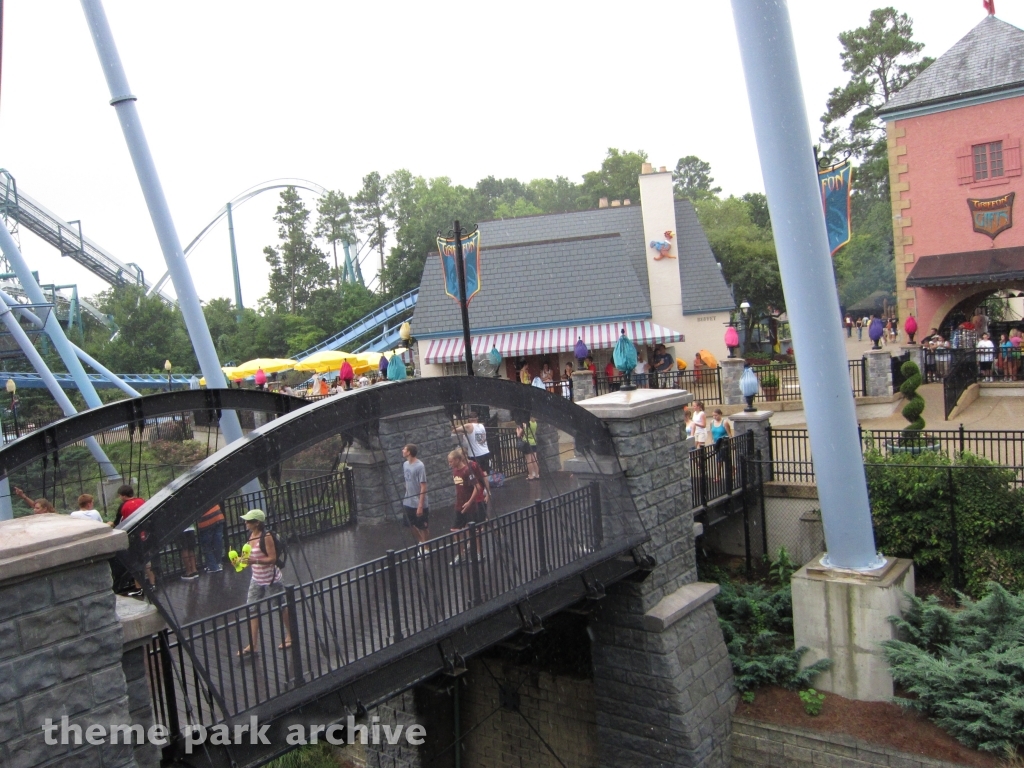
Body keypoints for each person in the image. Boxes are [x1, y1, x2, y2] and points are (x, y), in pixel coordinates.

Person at [237, 509, 291, 656]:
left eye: (249, 521)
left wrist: (255, 561)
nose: (246, 523)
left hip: (271, 579)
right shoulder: (250, 536)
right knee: (252, 608)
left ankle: (290, 635)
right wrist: (240, 561)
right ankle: (253, 644)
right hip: (256, 578)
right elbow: (248, 556)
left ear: (257, 523)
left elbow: (272, 559)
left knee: (280, 606)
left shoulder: (266, 537)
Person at [447, 450, 485, 566]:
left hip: (470, 506)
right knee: (455, 530)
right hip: (459, 505)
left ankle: (479, 553)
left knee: (475, 530)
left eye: (451, 461)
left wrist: (469, 502)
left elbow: (477, 487)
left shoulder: (468, 471)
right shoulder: (455, 471)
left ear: (457, 460)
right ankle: (462, 553)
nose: (450, 464)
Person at [401, 444, 430, 546]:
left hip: (419, 502)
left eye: (404, 449)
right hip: (408, 501)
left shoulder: (419, 466)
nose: (402, 450)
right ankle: (422, 542)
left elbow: (423, 486)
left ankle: (426, 547)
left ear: (409, 452)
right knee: (409, 524)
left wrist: (420, 505)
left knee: (423, 527)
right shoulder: (405, 464)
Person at [197, 504, 226, 573]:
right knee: (218, 542)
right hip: (218, 516)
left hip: (205, 521)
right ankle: (218, 563)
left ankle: (213, 567)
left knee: (206, 545)